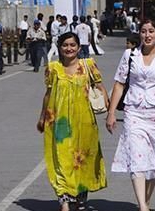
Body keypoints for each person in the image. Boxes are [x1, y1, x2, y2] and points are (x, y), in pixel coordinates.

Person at [106, 19, 155, 211]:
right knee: (137, 158)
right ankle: (143, 207)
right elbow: (119, 84)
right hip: (134, 111)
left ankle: (144, 201)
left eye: (151, 31)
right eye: (144, 31)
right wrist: (111, 112)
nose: (147, 35)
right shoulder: (130, 55)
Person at [37, 32, 108, 211]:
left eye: (72, 45)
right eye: (65, 45)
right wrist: (42, 116)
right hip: (59, 124)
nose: (69, 48)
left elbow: (100, 87)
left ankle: (79, 199)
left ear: (78, 47)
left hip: (84, 123)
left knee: (82, 162)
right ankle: (65, 201)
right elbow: (48, 94)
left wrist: (110, 113)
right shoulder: (53, 68)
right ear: (60, 47)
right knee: (62, 160)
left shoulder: (88, 65)